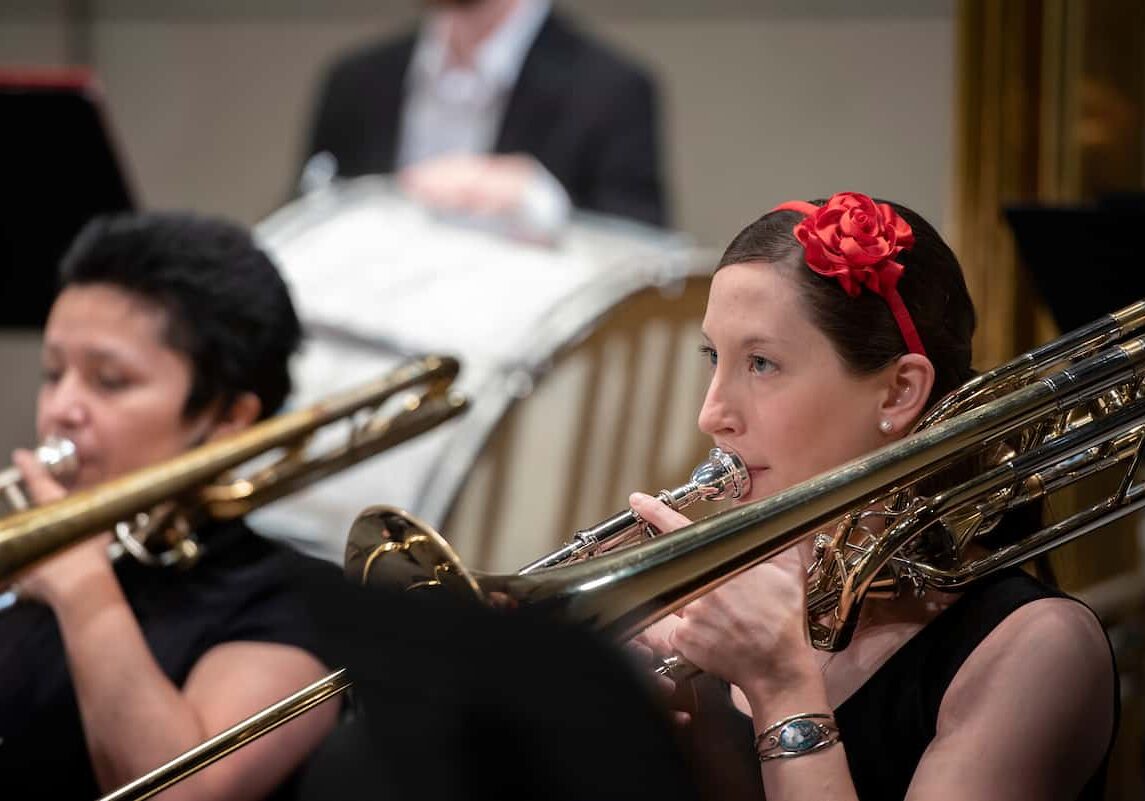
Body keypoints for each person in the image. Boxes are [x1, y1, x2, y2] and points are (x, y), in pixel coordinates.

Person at [628, 192, 1118, 800]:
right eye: (713, 357)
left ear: (897, 393)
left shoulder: (1037, 649)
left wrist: (783, 689)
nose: (712, 415)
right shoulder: (711, 617)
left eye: (760, 363)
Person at [0, 213, 339, 800]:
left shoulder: (289, 599)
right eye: (54, 374)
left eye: (109, 381)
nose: (62, 407)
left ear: (229, 416)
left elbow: (181, 793)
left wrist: (82, 584)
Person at [300, 0, 667, 236]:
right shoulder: (357, 79)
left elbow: (643, 254)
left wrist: (540, 202)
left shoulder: (610, 87)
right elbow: (303, 216)